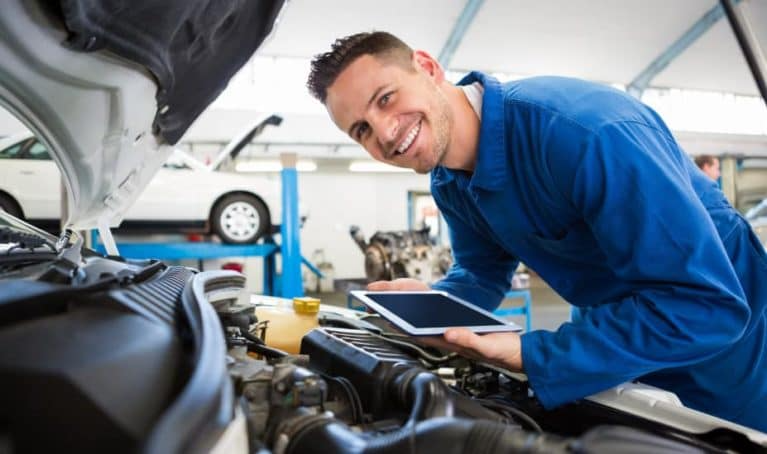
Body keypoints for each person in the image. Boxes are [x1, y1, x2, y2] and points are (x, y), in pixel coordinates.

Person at [306, 31, 767, 431]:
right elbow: (482, 274)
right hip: (616, 329)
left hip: (726, 346)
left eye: (386, 98)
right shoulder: (448, 182)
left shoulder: (583, 133)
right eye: (362, 129)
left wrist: (534, 354)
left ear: (427, 67)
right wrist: (432, 307)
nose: (384, 134)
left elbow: (708, 307)